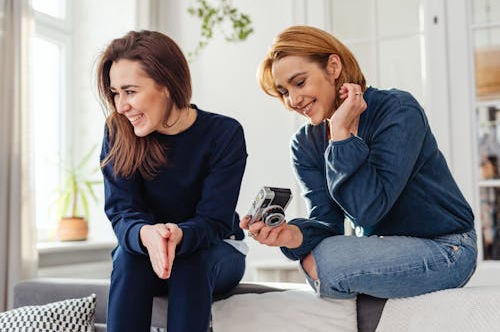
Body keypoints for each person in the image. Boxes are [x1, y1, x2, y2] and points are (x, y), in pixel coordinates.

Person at [241, 25, 477, 299]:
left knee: (328, 261)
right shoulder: (306, 143)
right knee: (317, 257)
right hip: (382, 248)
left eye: (300, 82)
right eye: (283, 92)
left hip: (447, 247)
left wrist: (341, 137)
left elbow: (370, 209)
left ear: (333, 66)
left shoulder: (397, 109)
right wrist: (289, 235)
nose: (293, 100)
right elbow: (327, 223)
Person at [97, 30, 247, 332]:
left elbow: (214, 221)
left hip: (215, 250)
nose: (120, 105)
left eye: (130, 91)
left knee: (190, 260)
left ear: (166, 84)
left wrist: (177, 235)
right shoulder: (118, 131)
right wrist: (146, 235)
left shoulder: (224, 134)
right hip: (144, 252)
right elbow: (121, 212)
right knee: (129, 257)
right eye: (115, 93)